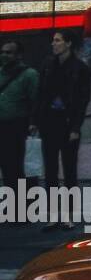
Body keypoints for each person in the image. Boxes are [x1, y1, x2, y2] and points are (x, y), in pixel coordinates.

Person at [31, 31, 91, 229]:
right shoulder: (48, 65)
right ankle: (53, 214)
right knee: (50, 170)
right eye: (53, 40)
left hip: (68, 123)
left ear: (68, 43)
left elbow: (83, 100)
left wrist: (76, 126)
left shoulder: (80, 69)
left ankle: (68, 214)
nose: (53, 44)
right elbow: (40, 94)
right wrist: (35, 120)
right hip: (49, 121)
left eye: (57, 40)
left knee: (69, 170)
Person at [0, 40, 40, 192]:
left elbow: (36, 101)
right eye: (3, 52)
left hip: (20, 126)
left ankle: (28, 203)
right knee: (7, 166)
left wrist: (33, 123)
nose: (4, 55)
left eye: (9, 52)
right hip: (3, 127)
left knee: (24, 166)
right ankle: (13, 201)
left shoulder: (30, 75)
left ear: (19, 56)